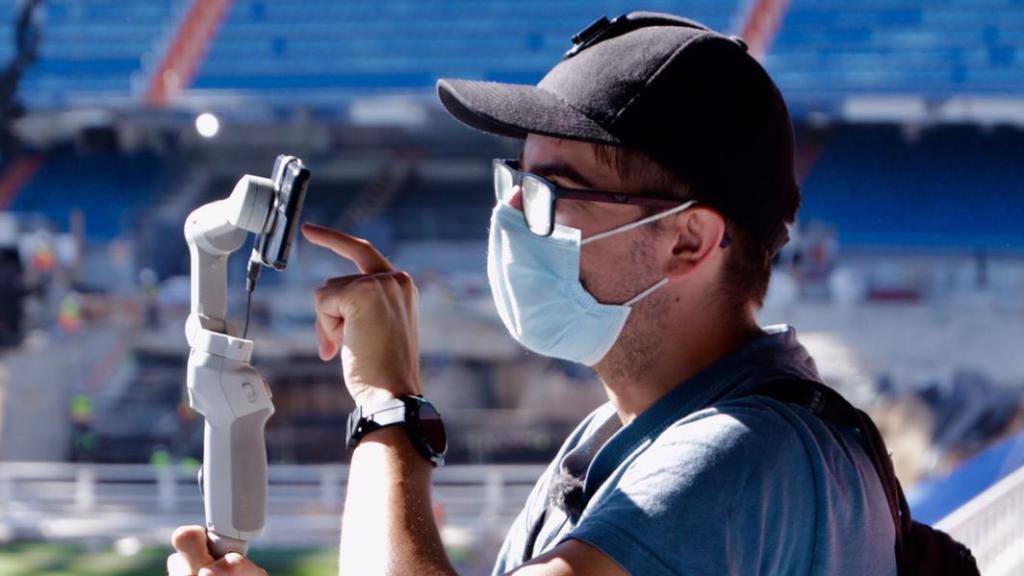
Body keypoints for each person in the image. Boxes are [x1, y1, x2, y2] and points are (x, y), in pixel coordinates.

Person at [167, 12, 896, 576]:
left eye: (552, 192)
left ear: (689, 241)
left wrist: (389, 406)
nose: (512, 214)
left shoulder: (740, 455)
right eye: (517, 180)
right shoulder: (620, 435)